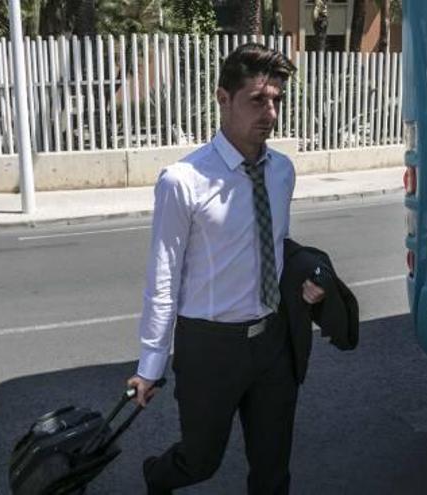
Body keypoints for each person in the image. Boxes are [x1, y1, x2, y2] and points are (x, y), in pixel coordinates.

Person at [127, 43, 326, 495]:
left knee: (273, 468)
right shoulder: (183, 181)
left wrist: (309, 278)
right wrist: (151, 364)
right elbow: (163, 276)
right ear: (222, 98)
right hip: (209, 348)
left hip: (273, 342)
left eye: (276, 99)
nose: (270, 112)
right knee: (200, 462)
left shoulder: (282, 172)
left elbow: (275, 246)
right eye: (258, 100)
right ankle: (156, 475)